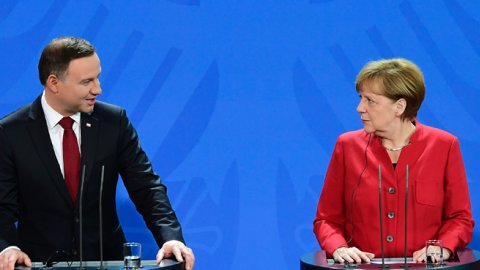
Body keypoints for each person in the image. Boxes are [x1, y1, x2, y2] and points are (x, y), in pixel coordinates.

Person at [0, 37, 194, 270]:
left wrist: (170, 237)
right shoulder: (11, 132)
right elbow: (2, 206)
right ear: (54, 82)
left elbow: (146, 187)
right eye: (86, 81)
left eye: (98, 77)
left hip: (107, 260)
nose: (98, 89)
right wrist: (7, 247)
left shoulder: (114, 122)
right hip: (39, 262)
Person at [313, 58, 474, 264]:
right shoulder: (347, 146)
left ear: (399, 106)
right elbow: (326, 219)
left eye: (370, 100)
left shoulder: (445, 145)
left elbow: (460, 218)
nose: (359, 108)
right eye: (361, 98)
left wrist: (442, 246)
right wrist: (338, 247)